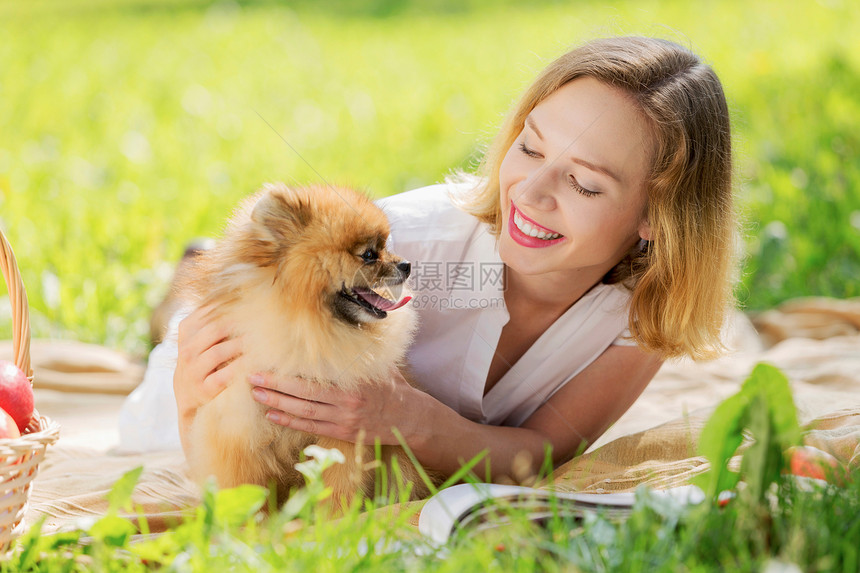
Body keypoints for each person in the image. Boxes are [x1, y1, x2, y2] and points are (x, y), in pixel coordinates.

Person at [119, 36, 735, 483]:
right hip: (225, 359)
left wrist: (408, 420)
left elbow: (544, 453)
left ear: (658, 218)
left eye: (585, 184)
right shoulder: (406, 239)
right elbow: (220, 434)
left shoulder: (645, 313)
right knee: (177, 340)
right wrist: (185, 393)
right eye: (529, 147)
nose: (530, 192)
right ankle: (181, 294)